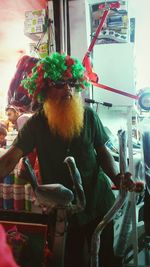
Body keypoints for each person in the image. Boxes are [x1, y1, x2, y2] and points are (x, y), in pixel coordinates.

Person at [0, 52, 135, 267]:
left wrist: (117, 176)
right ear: (44, 88)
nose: (68, 91)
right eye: (60, 84)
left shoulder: (88, 116)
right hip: (64, 208)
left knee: (106, 258)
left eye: (71, 84)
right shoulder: (36, 124)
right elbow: (10, 159)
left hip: (97, 201)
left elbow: (102, 152)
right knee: (69, 258)